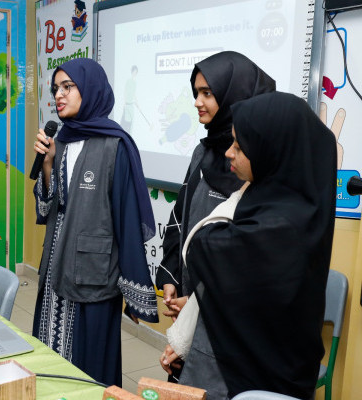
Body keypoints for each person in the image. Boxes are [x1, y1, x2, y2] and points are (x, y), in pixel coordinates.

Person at [162, 91, 336, 399]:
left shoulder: (281, 225)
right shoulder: (287, 203)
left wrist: (237, 196)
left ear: (272, 153)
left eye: (240, 147)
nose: (229, 153)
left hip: (258, 379)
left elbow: (200, 246)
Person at [32, 57, 158, 387]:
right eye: (56, 88)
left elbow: (127, 221)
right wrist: (46, 165)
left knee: (89, 372)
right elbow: (46, 210)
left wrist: (134, 288)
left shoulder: (115, 145)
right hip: (55, 269)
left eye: (68, 87)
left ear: (91, 89)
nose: (59, 95)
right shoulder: (59, 142)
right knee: (48, 363)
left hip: (94, 276)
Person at [155, 52, 275, 381]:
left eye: (208, 93)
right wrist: (170, 278)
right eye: (196, 93)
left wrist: (196, 301)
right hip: (189, 299)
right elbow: (180, 215)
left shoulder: (256, 165)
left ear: (234, 94)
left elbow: (246, 256)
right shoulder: (202, 151)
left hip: (227, 312)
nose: (197, 102)